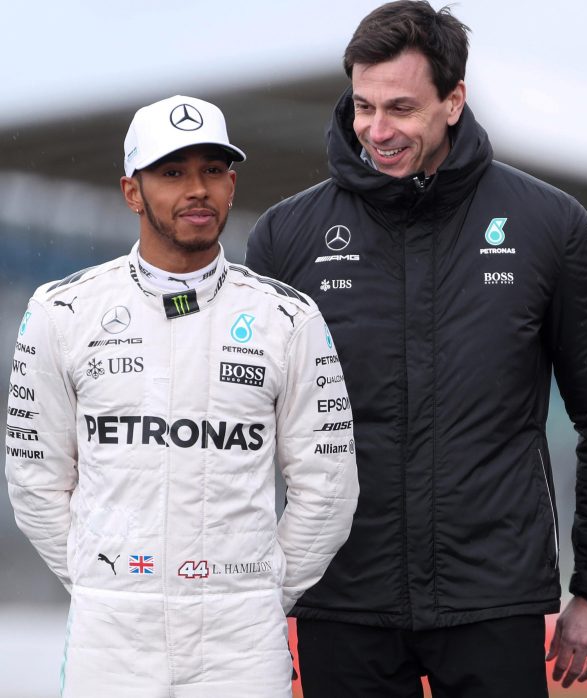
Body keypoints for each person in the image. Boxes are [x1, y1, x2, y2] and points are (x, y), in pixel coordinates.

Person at [244, 2, 587, 695]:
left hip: (493, 598)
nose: (377, 130)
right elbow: (245, 429)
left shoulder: (548, 225)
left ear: (454, 100)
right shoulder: (286, 237)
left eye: (400, 108)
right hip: (341, 599)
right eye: (363, 106)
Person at [5, 94, 359, 697]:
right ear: (131, 191)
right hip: (111, 634)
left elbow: (329, 485)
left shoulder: (287, 318)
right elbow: (33, 478)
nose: (197, 189)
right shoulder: (61, 311)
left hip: (241, 636)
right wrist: (104, 581)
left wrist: (259, 589)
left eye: (212, 170)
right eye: (172, 173)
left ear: (231, 183)